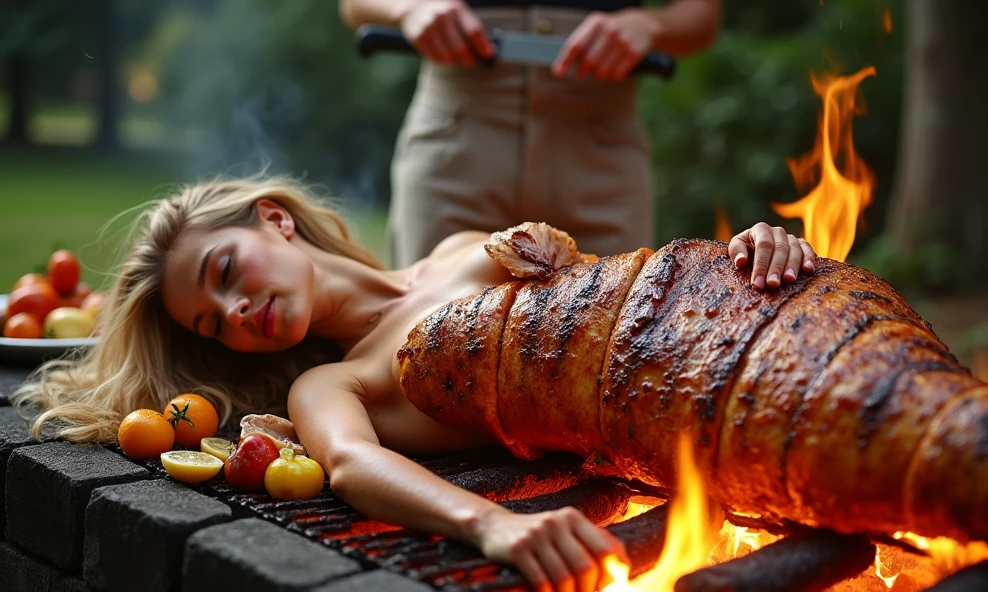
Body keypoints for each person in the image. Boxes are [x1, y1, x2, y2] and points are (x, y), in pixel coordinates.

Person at [12, 177, 816, 592]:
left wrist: (742, 257)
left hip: (737, 369)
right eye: (212, 324)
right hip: (699, 450)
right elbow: (356, 468)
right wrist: (489, 527)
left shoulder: (468, 248)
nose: (234, 310)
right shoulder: (332, 383)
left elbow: (620, 301)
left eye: (224, 273)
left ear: (274, 220)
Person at [339, 0, 722, 268]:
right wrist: (409, 7)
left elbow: (701, 15)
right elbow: (355, 4)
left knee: (612, 347)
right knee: (422, 339)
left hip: (601, 148)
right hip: (456, 138)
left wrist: (648, 23)